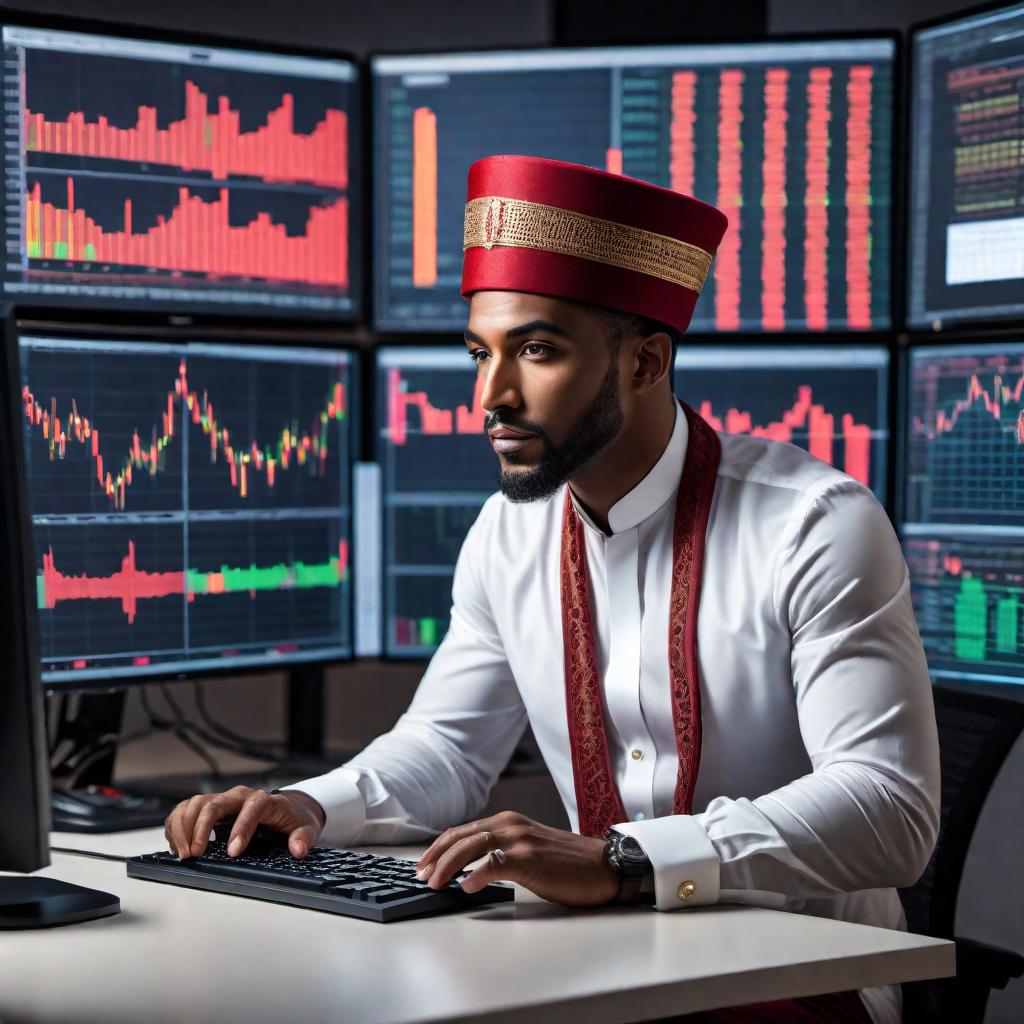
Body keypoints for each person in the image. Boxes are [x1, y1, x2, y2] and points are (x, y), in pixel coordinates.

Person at [165, 155, 940, 1024]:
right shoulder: (509, 530)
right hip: (600, 963)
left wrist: (625, 860)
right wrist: (307, 805)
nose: (490, 396)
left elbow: (890, 808)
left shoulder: (815, 524)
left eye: (536, 350)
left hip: (799, 973)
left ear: (645, 362)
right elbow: (447, 751)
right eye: (478, 353)